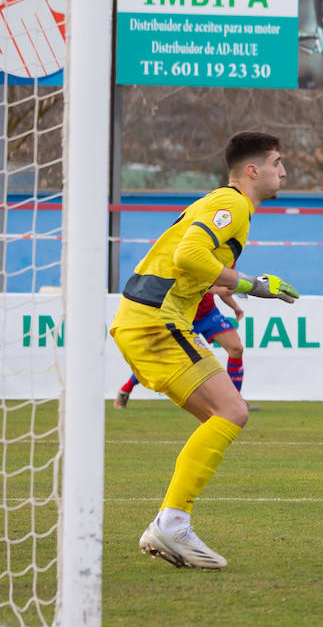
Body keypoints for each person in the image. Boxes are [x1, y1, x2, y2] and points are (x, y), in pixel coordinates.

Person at [109, 132, 299, 570]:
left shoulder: (225, 206)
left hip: (146, 318)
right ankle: (172, 524)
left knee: (224, 416)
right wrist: (253, 286)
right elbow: (189, 256)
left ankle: (173, 522)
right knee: (232, 412)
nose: (283, 172)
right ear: (253, 170)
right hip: (156, 319)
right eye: (277, 163)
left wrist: (235, 289)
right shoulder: (231, 204)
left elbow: (191, 264)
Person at [115, 286, 258, 412]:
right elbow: (204, 284)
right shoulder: (193, 256)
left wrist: (235, 307)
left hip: (208, 314)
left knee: (236, 348)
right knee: (161, 359)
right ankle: (126, 389)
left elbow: (221, 286)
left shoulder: (229, 258)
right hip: (183, 316)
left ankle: (236, 401)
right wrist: (226, 289)